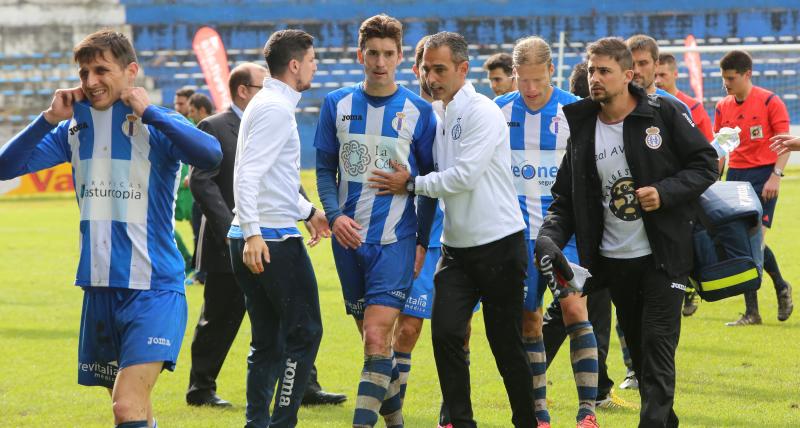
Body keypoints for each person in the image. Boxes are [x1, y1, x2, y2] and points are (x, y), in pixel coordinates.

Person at [0, 29, 222, 427]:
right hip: (99, 288)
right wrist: (48, 118)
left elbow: (211, 154)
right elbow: (4, 167)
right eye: (84, 72)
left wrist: (150, 112)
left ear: (130, 71)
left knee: (126, 404)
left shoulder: (157, 122)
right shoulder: (72, 128)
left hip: (153, 287)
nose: (90, 81)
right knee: (132, 411)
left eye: (101, 70)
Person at [536, 37, 718, 427]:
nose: (594, 78)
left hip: (663, 258)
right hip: (614, 263)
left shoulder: (662, 113)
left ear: (628, 75)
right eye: (591, 70)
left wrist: (664, 192)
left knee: (656, 352)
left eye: (604, 71)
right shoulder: (583, 127)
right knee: (639, 351)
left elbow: (706, 163)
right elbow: (564, 200)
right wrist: (548, 238)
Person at [374, 31, 537, 428]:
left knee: (505, 345)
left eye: (440, 69)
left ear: (463, 69)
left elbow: (461, 177)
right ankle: (460, 422)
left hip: (500, 245)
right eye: (427, 69)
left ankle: (527, 422)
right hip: (456, 250)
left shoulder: (481, 111)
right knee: (446, 334)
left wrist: (410, 182)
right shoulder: (438, 114)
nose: (431, 77)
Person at [187, 62, 346, 409]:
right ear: (244, 89)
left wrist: (305, 211)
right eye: (263, 83)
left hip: (262, 232)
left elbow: (282, 178)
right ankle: (202, 388)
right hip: (244, 237)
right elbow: (208, 179)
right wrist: (244, 228)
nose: (271, 88)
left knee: (281, 326)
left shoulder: (264, 111)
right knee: (225, 319)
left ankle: (301, 390)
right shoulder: (223, 123)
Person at [314, 14, 437, 428]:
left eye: (388, 54)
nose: (380, 61)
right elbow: (324, 170)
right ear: (359, 55)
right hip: (348, 242)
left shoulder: (418, 111)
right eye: (373, 53)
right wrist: (334, 216)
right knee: (376, 350)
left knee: (375, 336)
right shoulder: (336, 104)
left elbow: (430, 183)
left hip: (395, 242)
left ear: (401, 57)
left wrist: (421, 241)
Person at [494, 37, 600, 428]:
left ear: (552, 72)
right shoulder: (498, 111)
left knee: (574, 308)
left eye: (538, 79)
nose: (531, 89)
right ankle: (539, 412)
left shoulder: (576, 111)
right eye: (523, 80)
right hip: (516, 236)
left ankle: (587, 411)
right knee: (529, 321)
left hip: (562, 233)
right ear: (514, 75)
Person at [228, 29, 330, 428]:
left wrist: (307, 211)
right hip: (267, 239)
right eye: (311, 60)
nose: (315, 66)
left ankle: (257, 423)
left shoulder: (265, 102)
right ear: (294, 65)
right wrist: (254, 232)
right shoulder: (274, 108)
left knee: (267, 341)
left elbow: (275, 180)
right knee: (305, 334)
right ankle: (282, 421)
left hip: (252, 234)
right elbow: (248, 175)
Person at [538, 60, 635, 411]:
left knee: (573, 310)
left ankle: (598, 386)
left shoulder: (574, 125)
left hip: (577, 234)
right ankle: (595, 391)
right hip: (585, 237)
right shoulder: (583, 130)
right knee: (582, 312)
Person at [715, 49, 794, 325]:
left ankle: (767, 300)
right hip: (736, 175)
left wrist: (776, 175)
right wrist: (715, 174)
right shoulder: (722, 105)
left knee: (753, 239)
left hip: (764, 176)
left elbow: (785, 142)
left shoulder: (771, 102)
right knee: (741, 242)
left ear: (747, 74)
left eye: (731, 78)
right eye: (724, 78)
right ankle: (765, 301)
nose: (726, 83)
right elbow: (721, 146)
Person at [655, 52, 714, 317]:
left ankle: (689, 288)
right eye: (655, 75)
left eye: (662, 75)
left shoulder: (689, 106)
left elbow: (706, 150)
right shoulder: (641, 105)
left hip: (684, 188)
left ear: (675, 74)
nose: (658, 80)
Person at [625, 35, 690, 114]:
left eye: (642, 63)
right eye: (631, 64)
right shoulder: (612, 107)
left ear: (656, 65)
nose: (636, 71)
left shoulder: (676, 108)